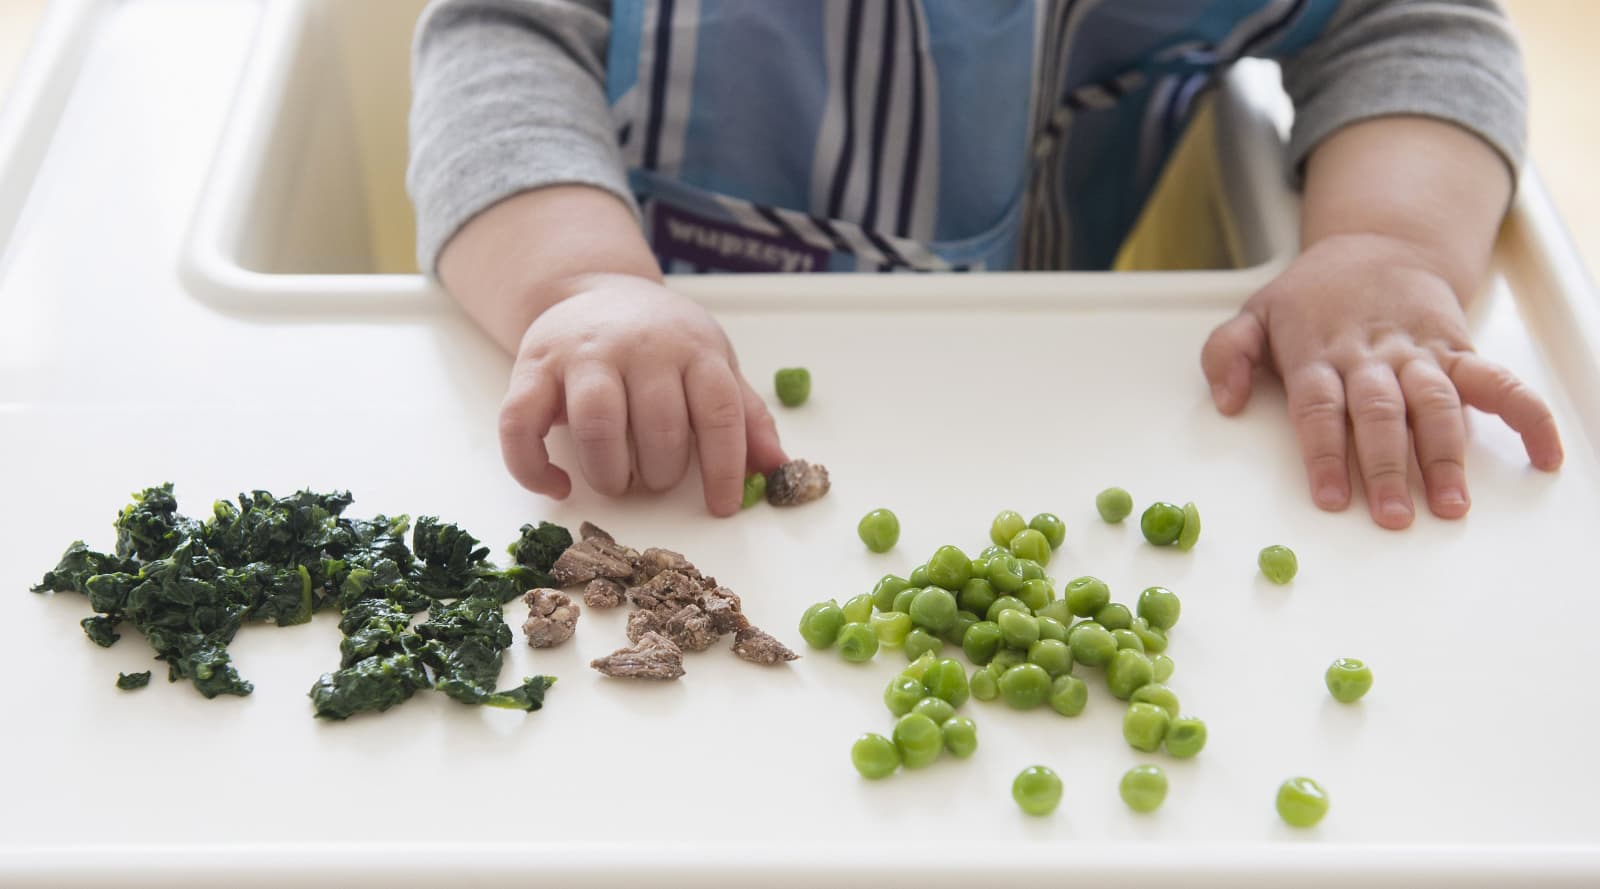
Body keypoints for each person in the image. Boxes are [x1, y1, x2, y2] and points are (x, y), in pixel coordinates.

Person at [408, 0, 1563, 525]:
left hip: (1035, 400)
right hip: (651, 388)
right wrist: (577, 282)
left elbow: (1412, 23)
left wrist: (1386, 246)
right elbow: (497, 41)